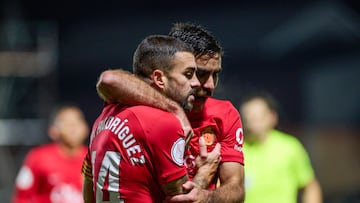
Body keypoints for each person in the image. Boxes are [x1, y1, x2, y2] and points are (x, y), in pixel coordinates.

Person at [96, 22, 245, 202]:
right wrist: (203, 175)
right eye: (197, 73)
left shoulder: (224, 113)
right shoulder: (149, 115)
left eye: (216, 75)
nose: (209, 85)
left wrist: (205, 197)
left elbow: (236, 189)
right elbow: (110, 80)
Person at [239, 90, 322, 203]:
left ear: (273, 117)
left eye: (258, 116)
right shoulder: (236, 150)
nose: (253, 121)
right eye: (248, 116)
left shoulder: (290, 147)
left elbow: (310, 186)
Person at [12, 104, 89, 203]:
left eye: (77, 122)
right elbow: (21, 197)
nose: (73, 127)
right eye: (66, 123)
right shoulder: (38, 158)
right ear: (53, 131)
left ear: (86, 128)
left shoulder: (97, 160)